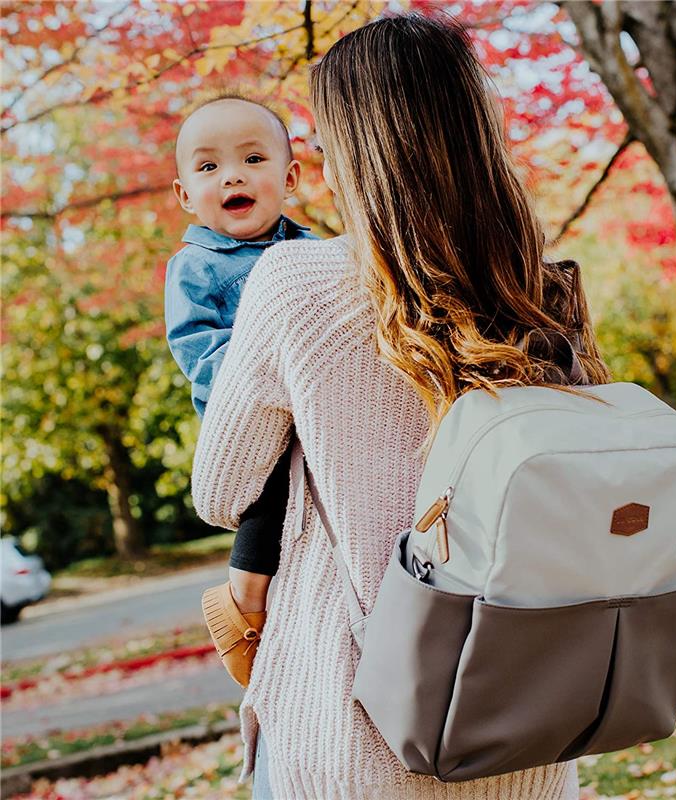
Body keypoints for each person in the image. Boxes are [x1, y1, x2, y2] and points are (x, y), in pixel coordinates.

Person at [191, 12, 612, 799]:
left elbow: (219, 494)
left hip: (354, 731)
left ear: (354, 148)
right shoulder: (544, 291)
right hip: (527, 727)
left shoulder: (293, 283)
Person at [164, 93, 315, 687]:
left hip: (322, 407)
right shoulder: (195, 265)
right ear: (184, 195)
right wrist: (259, 381)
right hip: (248, 415)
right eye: (207, 168)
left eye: (253, 158)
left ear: (290, 176)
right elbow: (195, 344)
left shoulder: (314, 254)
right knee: (273, 488)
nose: (232, 175)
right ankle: (244, 594)